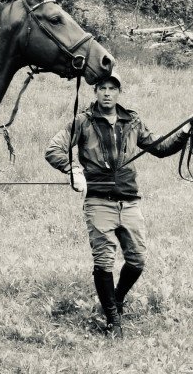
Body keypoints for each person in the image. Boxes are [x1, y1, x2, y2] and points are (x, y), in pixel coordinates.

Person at [45, 72, 192, 337]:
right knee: (104, 261)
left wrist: (184, 132)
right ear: (96, 92)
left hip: (130, 200)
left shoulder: (132, 121)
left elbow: (160, 148)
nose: (107, 93)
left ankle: (116, 299)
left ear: (119, 92)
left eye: (112, 88)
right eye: (103, 88)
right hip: (99, 201)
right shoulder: (83, 122)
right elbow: (54, 149)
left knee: (137, 260)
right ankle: (112, 319)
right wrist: (73, 170)